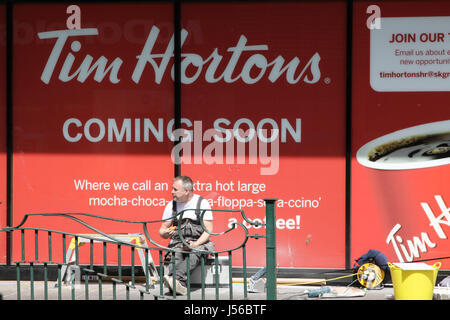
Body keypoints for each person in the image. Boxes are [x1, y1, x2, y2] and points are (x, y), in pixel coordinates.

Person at [159, 176, 214, 295]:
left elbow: (208, 231)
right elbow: (162, 231)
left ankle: (175, 279)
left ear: (186, 191)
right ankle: (179, 285)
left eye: (175, 189)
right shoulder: (171, 205)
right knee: (176, 254)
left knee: (196, 251)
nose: (171, 192)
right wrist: (166, 233)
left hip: (199, 242)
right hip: (179, 242)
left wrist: (195, 244)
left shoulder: (202, 203)